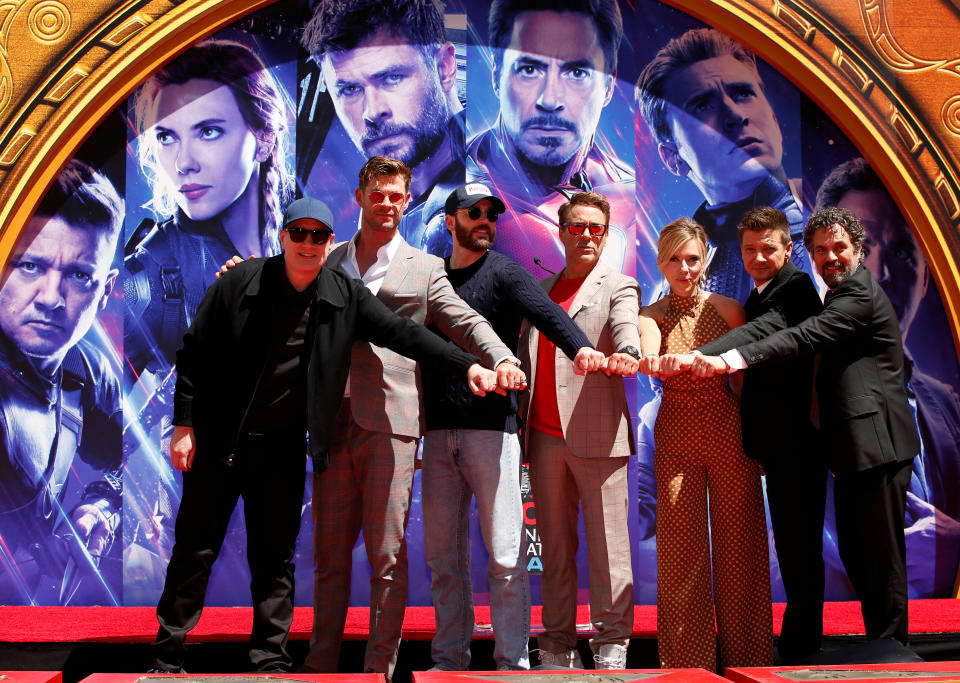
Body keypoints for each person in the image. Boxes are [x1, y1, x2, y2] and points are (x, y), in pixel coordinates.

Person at [148, 197, 501, 674]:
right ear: (284, 237)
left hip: (282, 449)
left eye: (319, 236)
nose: (309, 244)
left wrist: (469, 366)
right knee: (196, 550)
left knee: (275, 560)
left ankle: (269, 661)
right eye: (300, 234)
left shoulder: (344, 294)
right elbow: (194, 353)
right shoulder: (240, 281)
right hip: (220, 441)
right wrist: (185, 424)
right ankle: (167, 657)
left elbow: (407, 334)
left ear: (330, 242)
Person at [301, 157, 524, 679]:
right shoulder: (328, 262)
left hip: (393, 428)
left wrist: (502, 358)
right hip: (332, 425)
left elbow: (464, 320)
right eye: (377, 194)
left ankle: (380, 671)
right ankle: (319, 668)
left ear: (406, 202)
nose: (386, 203)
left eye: (396, 196)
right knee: (329, 559)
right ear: (359, 197)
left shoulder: (425, 268)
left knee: (387, 557)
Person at [692, 207, 919, 646]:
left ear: (858, 250)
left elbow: (802, 336)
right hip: (853, 447)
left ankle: (893, 655)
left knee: (881, 559)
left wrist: (727, 358)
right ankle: (882, 648)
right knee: (860, 555)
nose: (830, 257)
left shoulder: (854, 293)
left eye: (839, 248)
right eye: (822, 250)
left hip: (879, 444)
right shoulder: (837, 292)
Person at [420, 182, 607, 672]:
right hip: (437, 435)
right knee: (444, 561)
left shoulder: (505, 272)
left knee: (506, 558)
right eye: (474, 212)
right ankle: (448, 662)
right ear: (450, 221)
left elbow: (547, 314)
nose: (485, 221)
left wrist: (580, 347)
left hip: (493, 433)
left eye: (491, 214)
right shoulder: (431, 277)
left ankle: (513, 666)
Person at [692, 206, 825, 663]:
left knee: (800, 546)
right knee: (790, 545)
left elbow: (764, 331)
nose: (758, 257)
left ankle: (802, 650)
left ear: (789, 249)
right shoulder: (760, 291)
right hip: (772, 442)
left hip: (797, 442)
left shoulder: (797, 288)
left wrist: (700, 356)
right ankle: (798, 642)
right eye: (749, 249)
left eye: (768, 248)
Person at [640, 217, 773, 671]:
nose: (684, 267)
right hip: (675, 435)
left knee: (742, 552)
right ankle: (686, 671)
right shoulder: (650, 315)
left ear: (705, 260)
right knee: (681, 558)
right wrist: (664, 361)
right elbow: (651, 355)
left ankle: (749, 665)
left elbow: (747, 380)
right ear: (661, 262)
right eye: (674, 259)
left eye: (692, 258)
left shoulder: (731, 310)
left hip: (728, 432)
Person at [518, 192, 642, 670]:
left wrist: (627, 351)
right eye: (577, 227)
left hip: (598, 436)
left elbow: (625, 326)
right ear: (562, 232)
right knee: (553, 549)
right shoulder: (539, 289)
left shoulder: (619, 285)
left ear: (606, 235)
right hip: (544, 439)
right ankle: (556, 645)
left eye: (596, 228)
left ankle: (612, 644)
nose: (587, 235)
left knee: (610, 548)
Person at [125, 38, 293, 375]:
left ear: (263, 139)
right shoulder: (147, 280)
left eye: (209, 131)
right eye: (166, 137)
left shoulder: (301, 246)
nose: (183, 163)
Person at [0, 159, 123, 605]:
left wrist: (101, 507)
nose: (51, 298)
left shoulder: (87, 372)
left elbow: (132, 468)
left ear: (105, 290)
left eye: (78, 276)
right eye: (29, 266)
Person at [817, 158, 960, 538]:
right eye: (858, 251)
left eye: (901, 253)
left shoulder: (950, 407)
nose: (879, 274)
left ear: (927, 278)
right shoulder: (794, 391)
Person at [636, 27, 814, 303]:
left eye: (743, 93)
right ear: (674, 158)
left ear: (774, 119)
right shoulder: (677, 282)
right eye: (702, 106)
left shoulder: (834, 219)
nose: (736, 114)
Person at [466, 0, 636, 277]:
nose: (550, 99)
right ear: (496, 74)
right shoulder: (453, 194)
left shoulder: (631, 200)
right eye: (530, 69)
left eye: (577, 73)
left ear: (608, 86)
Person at [300, 0, 464, 255]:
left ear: (444, 67)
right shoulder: (377, 220)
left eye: (392, 77)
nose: (372, 112)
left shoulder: (501, 181)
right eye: (350, 89)